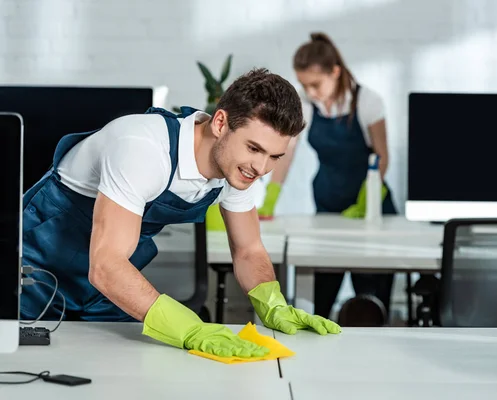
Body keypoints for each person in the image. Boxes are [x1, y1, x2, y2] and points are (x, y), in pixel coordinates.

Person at [20, 68, 341, 358]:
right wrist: (188, 328)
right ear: (220, 123)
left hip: (100, 292)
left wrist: (272, 303)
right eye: (254, 148)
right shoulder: (143, 148)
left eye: (274, 156)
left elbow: (248, 249)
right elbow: (105, 266)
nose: (261, 167)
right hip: (30, 276)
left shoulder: (236, 170)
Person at [257, 33, 397, 323]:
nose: (310, 91)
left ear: (335, 72)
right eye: (304, 84)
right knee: (321, 298)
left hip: (370, 210)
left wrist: (366, 199)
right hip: (327, 204)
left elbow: (382, 155)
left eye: (315, 84)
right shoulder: (307, 104)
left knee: (370, 302)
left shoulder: (367, 102)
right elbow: (288, 150)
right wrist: (271, 197)